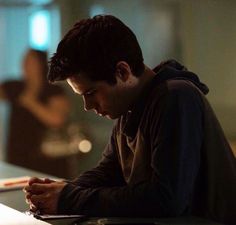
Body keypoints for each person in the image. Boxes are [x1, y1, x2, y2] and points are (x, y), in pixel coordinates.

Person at [24, 15, 236, 224]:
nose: (88, 107)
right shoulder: (130, 107)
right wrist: (60, 191)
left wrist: (69, 198)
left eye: (91, 93)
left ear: (122, 71)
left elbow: (165, 199)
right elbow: (109, 172)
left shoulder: (176, 98)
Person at [0, 48, 70, 173]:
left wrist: (31, 103)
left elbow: (56, 120)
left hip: (48, 163)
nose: (25, 63)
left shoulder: (54, 90)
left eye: (30, 60)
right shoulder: (14, 86)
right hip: (18, 159)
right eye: (24, 59)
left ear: (41, 63)